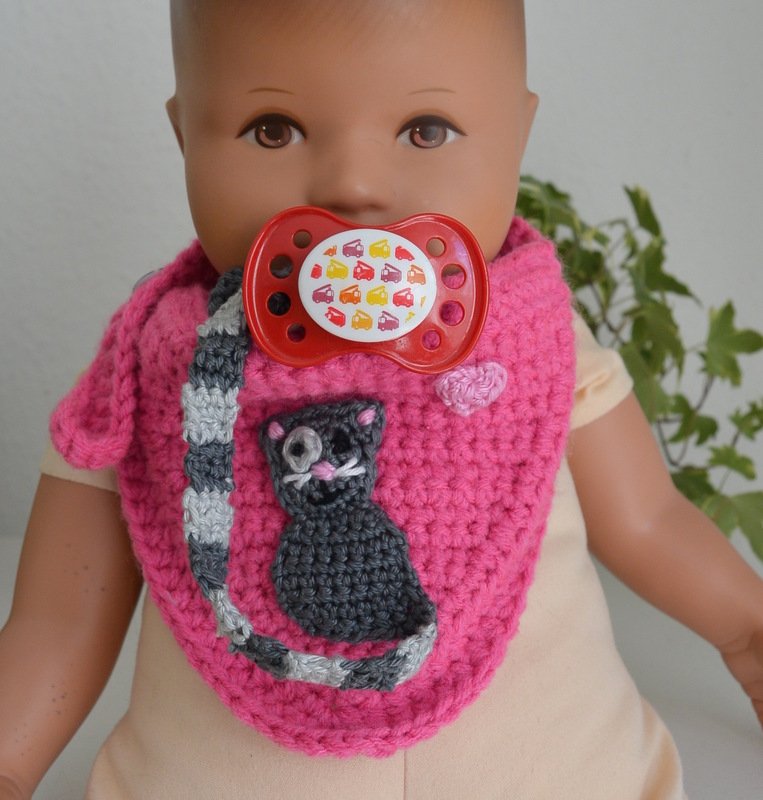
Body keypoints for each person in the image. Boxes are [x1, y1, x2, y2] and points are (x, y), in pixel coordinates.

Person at [1, 1, 762, 797]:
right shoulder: (140, 377)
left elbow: (648, 521)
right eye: (273, 130)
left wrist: (748, 632)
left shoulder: (541, 343)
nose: (353, 186)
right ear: (185, 133)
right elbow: (56, 622)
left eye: (426, 129)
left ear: (518, 131)